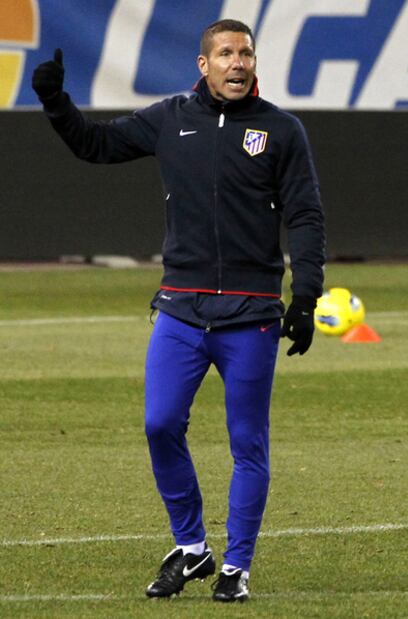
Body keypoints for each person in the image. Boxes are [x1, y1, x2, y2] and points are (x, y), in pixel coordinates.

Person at [32, 19, 325, 603]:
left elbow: (306, 216)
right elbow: (95, 146)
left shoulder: (281, 130)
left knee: (248, 444)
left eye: (245, 52)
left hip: (253, 313)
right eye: (225, 53)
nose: (237, 62)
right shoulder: (168, 118)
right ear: (203, 65)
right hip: (181, 310)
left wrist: (306, 296)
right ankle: (192, 548)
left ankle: (236, 567)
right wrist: (55, 101)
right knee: (160, 424)